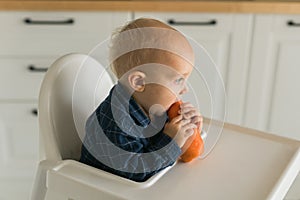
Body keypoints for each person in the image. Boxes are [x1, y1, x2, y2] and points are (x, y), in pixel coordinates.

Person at [80, 18, 203, 182]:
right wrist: (170, 143)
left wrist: (187, 133)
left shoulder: (152, 103)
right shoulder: (116, 125)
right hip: (101, 189)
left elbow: (156, 145)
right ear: (139, 82)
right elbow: (136, 173)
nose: (185, 89)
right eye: (178, 80)